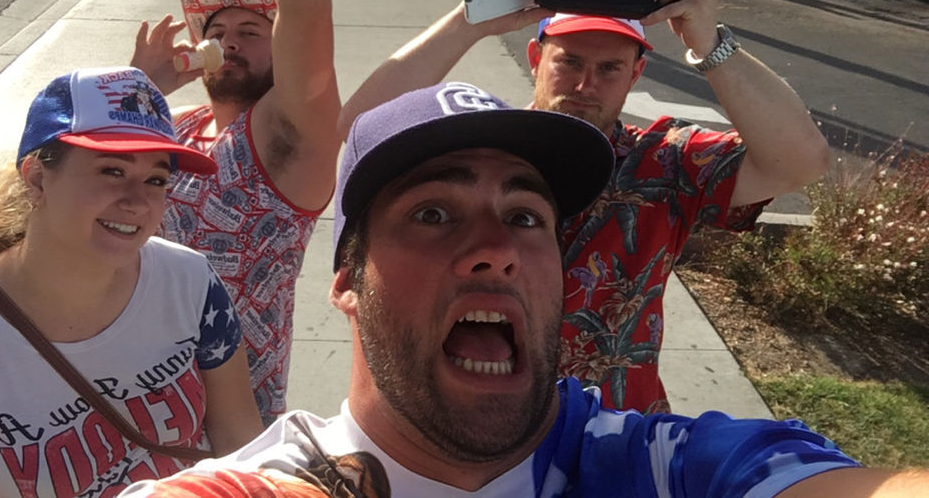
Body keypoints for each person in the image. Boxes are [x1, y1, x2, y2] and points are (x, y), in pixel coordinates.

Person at [118, 82, 927, 498]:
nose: (497, 250)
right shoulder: (273, 477)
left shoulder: (655, 464)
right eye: (434, 212)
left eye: (527, 216)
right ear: (346, 282)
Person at [340, 0, 831, 414]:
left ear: (635, 75)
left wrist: (708, 39)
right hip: (470, 423)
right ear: (536, 59)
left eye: (609, 68)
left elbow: (801, 162)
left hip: (612, 436)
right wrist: (470, 22)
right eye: (569, 62)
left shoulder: (663, 163)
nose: (585, 84)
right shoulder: (486, 149)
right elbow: (359, 131)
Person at [0, 68, 264, 498]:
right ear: (36, 178)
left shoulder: (192, 282)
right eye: (112, 171)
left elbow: (241, 446)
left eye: (156, 180)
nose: (138, 201)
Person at [129, 0, 339, 425]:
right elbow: (67, 187)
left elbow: (307, 11)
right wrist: (143, 90)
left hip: (230, 425)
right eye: (217, 33)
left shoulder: (285, 139)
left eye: (250, 32)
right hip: (126, 402)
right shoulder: (174, 126)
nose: (228, 44)